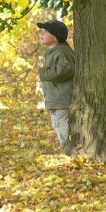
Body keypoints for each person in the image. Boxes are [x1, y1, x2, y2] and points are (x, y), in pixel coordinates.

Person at [37, 19, 75, 148]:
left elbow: (66, 69)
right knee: (56, 123)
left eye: (45, 31)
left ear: (56, 36)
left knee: (61, 123)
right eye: (41, 31)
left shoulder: (62, 51)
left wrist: (44, 73)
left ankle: (67, 148)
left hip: (62, 99)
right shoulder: (53, 52)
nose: (41, 34)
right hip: (55, 99)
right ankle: (63, 146)